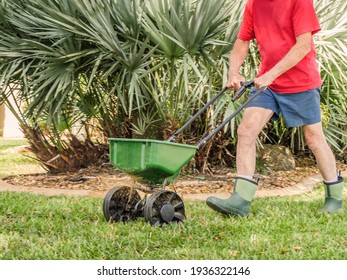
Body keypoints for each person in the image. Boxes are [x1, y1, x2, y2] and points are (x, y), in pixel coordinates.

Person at [206, 0, 344, 216]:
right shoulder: (254, 4)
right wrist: (233, 72)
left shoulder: (299, 1)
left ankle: (334, 198)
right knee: (246, 130)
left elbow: (303, 45)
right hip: (269, 85)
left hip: (301, 83)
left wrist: (271, 74)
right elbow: (242, 42)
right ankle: (240, 200)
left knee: (314, 139)